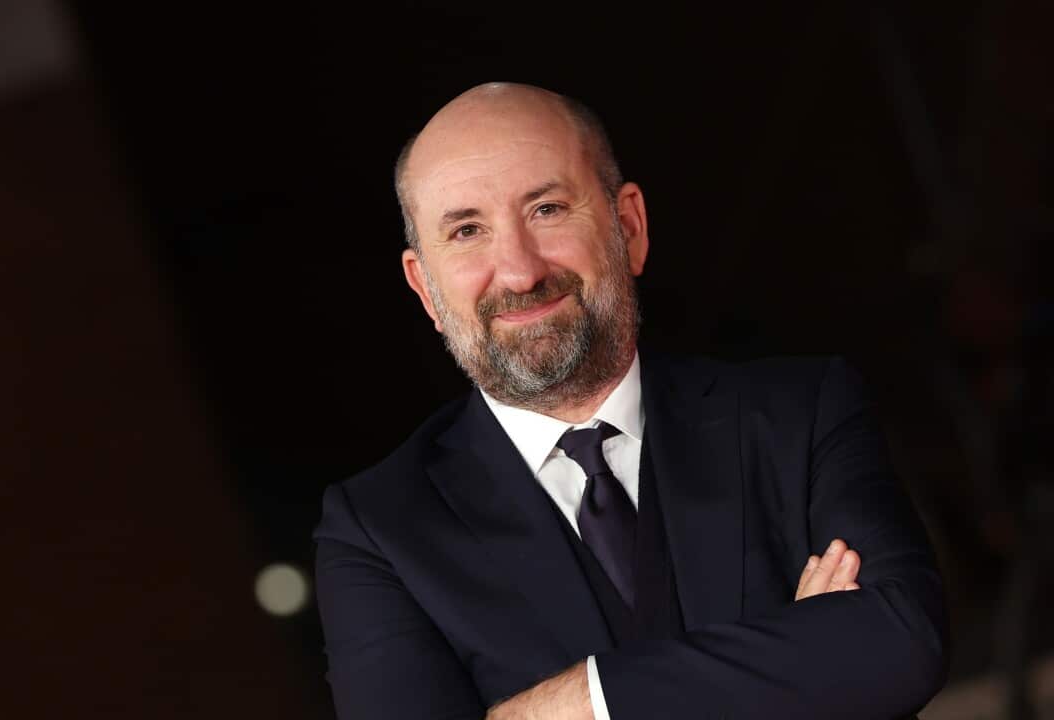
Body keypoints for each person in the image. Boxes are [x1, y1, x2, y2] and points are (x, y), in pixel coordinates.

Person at [313, 82, 947, 719]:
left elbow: (898, 642)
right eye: (467, 230)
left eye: (547, 209)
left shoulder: (800, 414)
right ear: (425, 289)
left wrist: (583, 702)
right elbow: (850, 666)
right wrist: (799, 664)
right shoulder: (378, 532)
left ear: (630, 227)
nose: (518, 271)